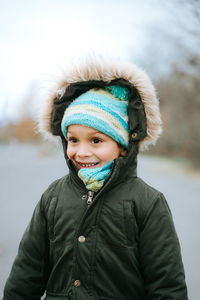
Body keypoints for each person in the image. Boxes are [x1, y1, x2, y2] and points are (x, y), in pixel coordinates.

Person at [3, 56, 188, 300]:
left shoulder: (147, 202)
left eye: (96, 140)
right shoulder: (53, 197)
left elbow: (167, 285)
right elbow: (26, 272)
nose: (81, 152)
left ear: (122, 146)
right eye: (73, 139)